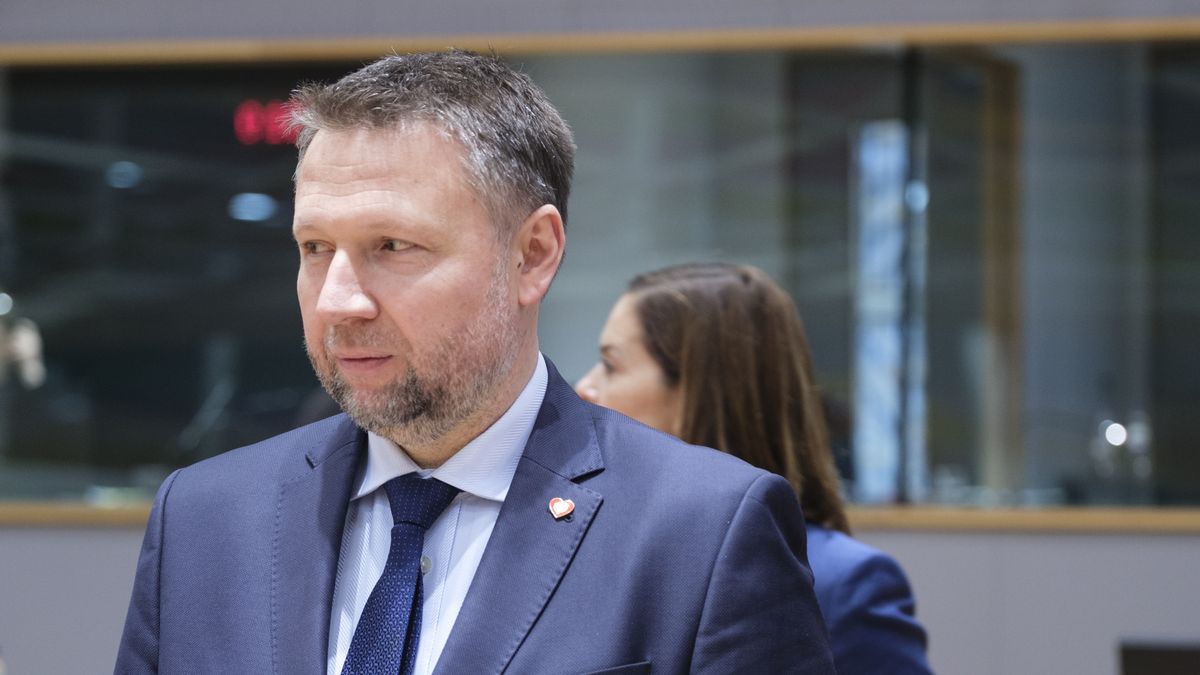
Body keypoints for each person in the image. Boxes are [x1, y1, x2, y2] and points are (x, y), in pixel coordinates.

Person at [115, 51, 835, 674]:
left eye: (392, 246)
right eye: (314, 249)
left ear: (533, 255)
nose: (338, 301)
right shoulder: (205, 519)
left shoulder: (701, 532)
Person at [575, 262, 933, 675]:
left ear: (696, 389)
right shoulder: (607, 547)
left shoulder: (843, 585)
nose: (585, 387)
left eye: (612, 365)